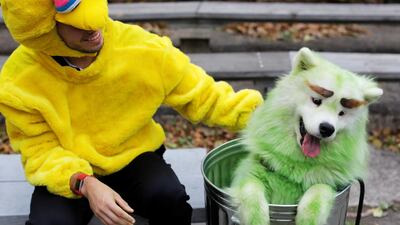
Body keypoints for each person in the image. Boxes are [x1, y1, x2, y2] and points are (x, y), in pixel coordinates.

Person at [0, 0, 263, 225]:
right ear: (46, 30)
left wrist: (265, 116)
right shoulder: (19, 80)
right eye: (77, 25)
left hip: (133, 155)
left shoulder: (141, 48)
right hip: (69, 171)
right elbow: (41, 150)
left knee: (169, 198)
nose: (93, 29)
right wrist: (86, 184)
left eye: (96, 15)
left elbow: (205, 96)